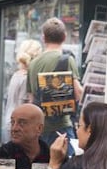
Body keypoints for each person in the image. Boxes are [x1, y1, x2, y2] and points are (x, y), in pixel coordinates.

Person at [27, 17, 83, 157]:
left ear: (43, 38)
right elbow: (78, 93)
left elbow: (31, 99)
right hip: (61, 126)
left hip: (39, 127)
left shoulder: (33, 63)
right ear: (64, 37)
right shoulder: (66, 60)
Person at [2, 39, 42, 142]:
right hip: (19, 127)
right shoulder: (26, 78)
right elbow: (25, 105)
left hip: (10, 121)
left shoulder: (17, 75)